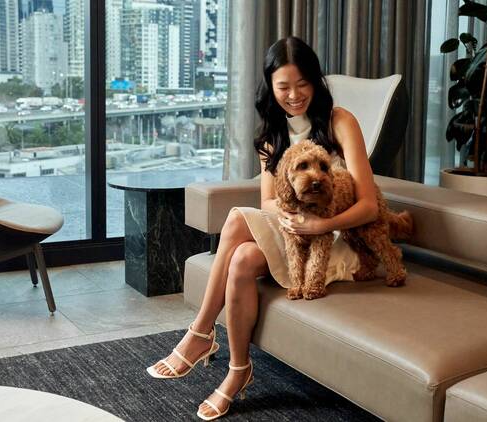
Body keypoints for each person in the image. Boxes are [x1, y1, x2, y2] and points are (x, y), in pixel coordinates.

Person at [146, 36, 381, 420]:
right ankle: (238, 370)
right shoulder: (271, 137)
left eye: (302, 84)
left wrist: (322, 222)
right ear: (269, 87)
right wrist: (295, 221)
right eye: (283, 86)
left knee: (238, 220)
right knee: (240, 257)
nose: (293, 95)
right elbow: (269, 202)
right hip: (298, 240)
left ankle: (200, 334)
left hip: (338, 243)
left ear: (316, 82)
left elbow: (369, 205)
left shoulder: (341, 122)